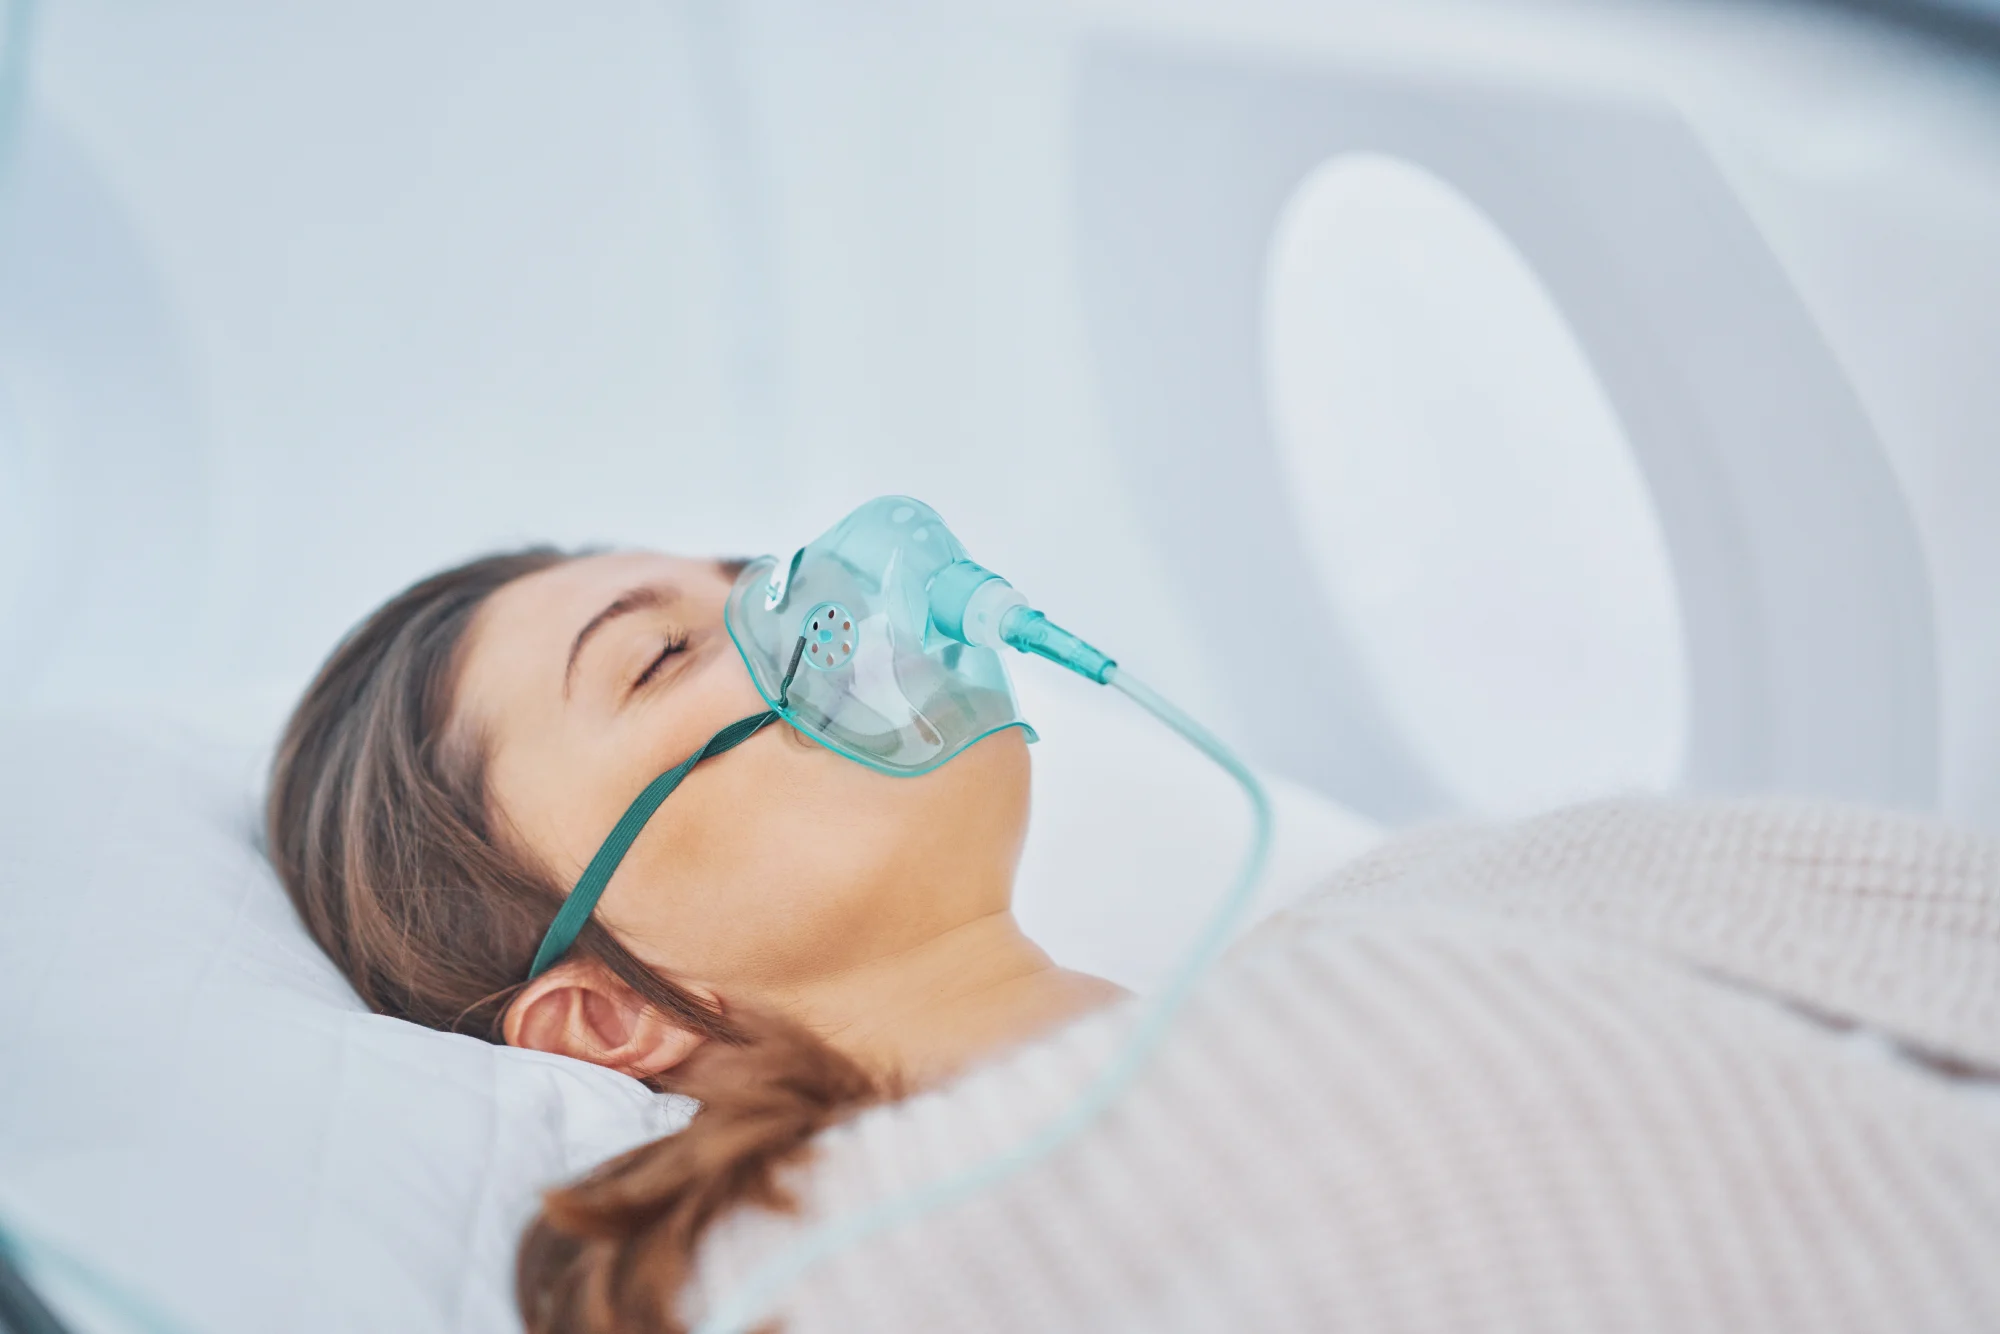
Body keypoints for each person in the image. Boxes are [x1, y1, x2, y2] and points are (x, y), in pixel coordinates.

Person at [265, 547, 1124, 1333]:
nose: (831, 606)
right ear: (608, 1017)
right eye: (662, 656)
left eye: (756, 581)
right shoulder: (815, 1285)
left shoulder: (1221, 1020)